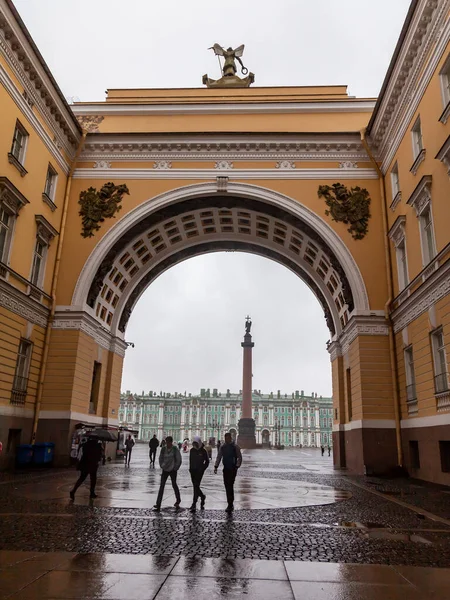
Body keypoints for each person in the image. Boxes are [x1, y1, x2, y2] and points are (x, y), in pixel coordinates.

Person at [214, 432, 242, 513]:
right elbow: (219, 456)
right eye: (225, 438)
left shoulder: (235, 446)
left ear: (230, 438)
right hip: (226, 468)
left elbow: (239, 457)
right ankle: (229, 503)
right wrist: (216, 466)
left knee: (230, 485)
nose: (226, 439)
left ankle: (230, 503)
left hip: (233, 469)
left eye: (228, 438)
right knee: (227, 486)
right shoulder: (223, 447)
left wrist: (237, 466)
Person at [153, 435, 182, 512]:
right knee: (162, 486)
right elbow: (160, 458)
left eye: (168, 442)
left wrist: (175, 468)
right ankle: (158, 504)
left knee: (174, 484)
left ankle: (178, 500)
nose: (166, 444)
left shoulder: (175, 449)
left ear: (171, 442)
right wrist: (162, 465)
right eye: (166, 442)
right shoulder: (163, 449)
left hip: (172, 470)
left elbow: (179, 459)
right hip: (165, 470)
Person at [189, 436, 209, 512]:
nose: (195, 445)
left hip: (199, 472)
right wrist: (190, 469)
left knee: (196, 486)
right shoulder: (192, 451)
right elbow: (190, 460)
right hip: (192, 471)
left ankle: (194, 503)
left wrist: (202, 468)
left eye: (196, 443)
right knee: (195, 486)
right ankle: (202, 496)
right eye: (194, 443)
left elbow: (207, 461)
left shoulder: (203, 451)